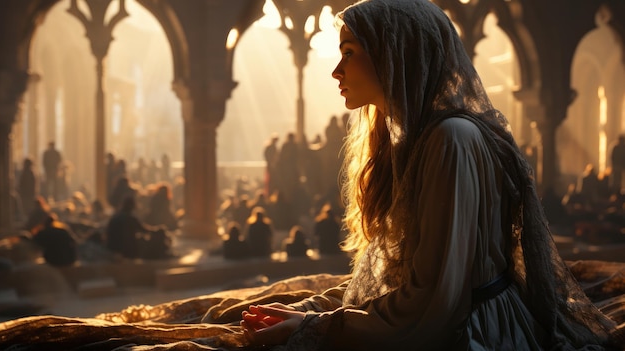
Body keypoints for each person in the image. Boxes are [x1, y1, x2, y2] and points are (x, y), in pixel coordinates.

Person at [241, 0, 623, 349]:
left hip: (470, 334)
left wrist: (320, 325)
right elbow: (410, 275)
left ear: (395, 55)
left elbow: (435, 302)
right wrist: (316, 311)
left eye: (349, 53)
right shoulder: (418, 138)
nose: (336, 70)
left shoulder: (450, 139)